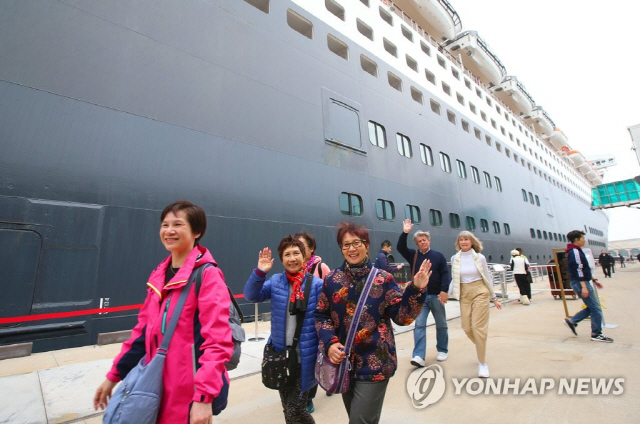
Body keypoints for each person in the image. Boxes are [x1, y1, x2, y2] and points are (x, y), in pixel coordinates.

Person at [93, 201, 234, 424]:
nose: (169, 231)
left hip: (187, 391)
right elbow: (142, 332)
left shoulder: (207, 275)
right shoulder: (159, 274)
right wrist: (114, 376)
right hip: (153, 385)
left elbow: (217, 342)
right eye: (165, 224)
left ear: (196, 232)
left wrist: (203, 397)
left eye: (178, 224)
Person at [316, 222, 430, 424]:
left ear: (366, 244)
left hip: (376, 363)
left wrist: (416, 290)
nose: (351, 249)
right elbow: (322, 315)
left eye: (356, 243)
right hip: (344, 362)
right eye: (346, 245)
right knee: (356, 417)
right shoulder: (332, 279)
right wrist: (331, 343)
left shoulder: (383, 279)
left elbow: (403, 317)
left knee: (360, 420)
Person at [244, 236, 323, 424]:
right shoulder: (276, 281)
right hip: (281, 357)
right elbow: (251, 295)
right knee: (287, 409)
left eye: (296, 253)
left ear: (304, 257)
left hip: (305, 358)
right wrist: (259, 273)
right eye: (287, 254)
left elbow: (325, 318)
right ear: (281, 259)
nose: (292, 258)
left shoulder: (316, 285)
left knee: (295, 409)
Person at [396, 219, 450, 367]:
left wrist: (444, 290)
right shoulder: (413, 256)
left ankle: (442, 350)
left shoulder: (438, 256)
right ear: (417, 243)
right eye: (419, 241)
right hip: (420, 297)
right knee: (419, 325)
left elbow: (446, 273)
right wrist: (405, 232)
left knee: (441, 324)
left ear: (429, 241)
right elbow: (400, 247)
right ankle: (419, 355)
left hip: (436, 296)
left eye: (424, 239)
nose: (422, 242)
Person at [449, 231, 502, 378]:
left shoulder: (480, 257)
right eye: (461, 240)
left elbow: (487, 276)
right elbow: (454, 278)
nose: (464, 242)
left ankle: (482, 363)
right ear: (458, 243)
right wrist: (447, 293)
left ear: (472, 242)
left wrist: (494, 297)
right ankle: (481, 344)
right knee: (466, 327)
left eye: (466, 239)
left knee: (478, 328)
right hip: (464, 293)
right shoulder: (455, 258)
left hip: (480, 291)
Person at [295, 231, 331, 412]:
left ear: (312, 249)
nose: (298, 251)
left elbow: (332, 293)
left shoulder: (320, 268)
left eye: (302, 247)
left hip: (318, 319)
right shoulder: (294, 268)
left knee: (316, 358)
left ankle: (309, 398)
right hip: (299, 322)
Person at [563, 230, 613, 343]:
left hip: (582, 282)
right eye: (582, 238)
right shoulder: (575, 251)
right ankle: (596, 334)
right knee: (596, 309)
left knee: (593, 307)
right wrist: (584, 286)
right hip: (581, 283)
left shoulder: (576, 251)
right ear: (576, 239)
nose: (584, 240)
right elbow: (579, 269)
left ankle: (572, 321)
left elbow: (583, 270)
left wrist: (594, 280)